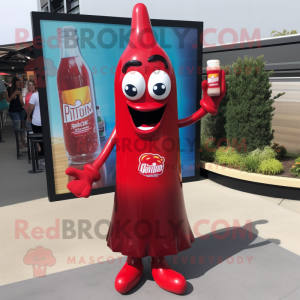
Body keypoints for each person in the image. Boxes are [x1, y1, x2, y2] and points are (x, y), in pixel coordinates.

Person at [5, 77, 27, 149]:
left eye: (19, 83)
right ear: (14, 83)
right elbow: (8, 100)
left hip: (21, 110)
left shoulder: (20, 90)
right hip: (13, 111)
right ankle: (18, 143)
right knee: (17, 126)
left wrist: (20, 96)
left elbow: (22, 103)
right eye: (17, 83)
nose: (19, 84)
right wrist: (14, 94)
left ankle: (24, 142)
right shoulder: (8, 90)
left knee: (23, 127)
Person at [27, 90, 43, 156]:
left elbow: (30, 108)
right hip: (49, 120)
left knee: (39, 138)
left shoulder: (35, 95)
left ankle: (42, 151)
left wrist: (28, 116)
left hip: (37, 121)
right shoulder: (51, 93)